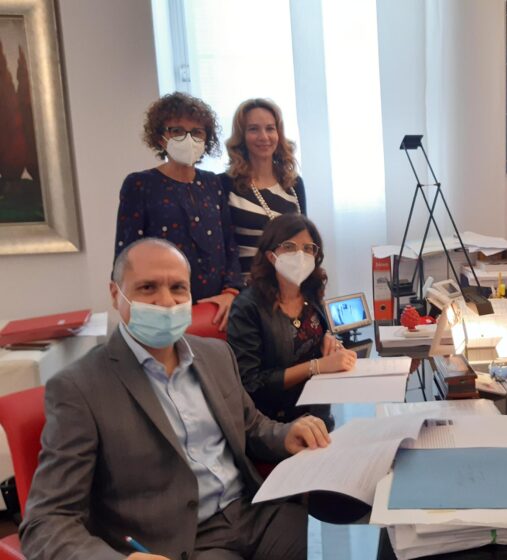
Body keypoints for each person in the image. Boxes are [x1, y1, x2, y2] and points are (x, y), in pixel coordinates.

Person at [21, 238, 329, 560]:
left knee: (345, 545)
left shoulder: (216, 354)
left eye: (178, 288)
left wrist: (286, 434)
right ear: (115, 294)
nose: (166, 302)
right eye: (148, 288)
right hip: (183, 543)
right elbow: (46, 522)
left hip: (252, 513)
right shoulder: (79, 388)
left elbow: (250, 426)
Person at [115, 92, 242, 331]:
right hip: (164, 308)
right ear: (161, 137)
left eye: (197, 132)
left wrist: (231, 291)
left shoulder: (213, 183)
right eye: (177, 131)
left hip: (217, 310)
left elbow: (229, 243)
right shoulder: (140, 184)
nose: (188, 138)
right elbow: (127, 255)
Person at [227, 214, 356, 429]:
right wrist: (316, 366)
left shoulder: (310, 292)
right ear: (271, 256)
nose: (300, 255)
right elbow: (251, 383)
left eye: (308, 248)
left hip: (319, 416)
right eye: (289, 247)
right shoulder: (247, 307)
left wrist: (327, 339)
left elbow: (310, 334)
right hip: (275, 426)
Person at [220, 98, 306, 279]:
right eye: (253, 129)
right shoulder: (225, 184)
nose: (264, 137)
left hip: (291, 283)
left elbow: (305, 241)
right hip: (248, 288)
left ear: (278, 133)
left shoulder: (294, 184)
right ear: (241, 136)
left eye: (270, 128)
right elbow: (224, 247)